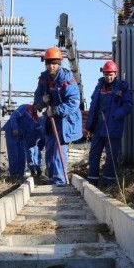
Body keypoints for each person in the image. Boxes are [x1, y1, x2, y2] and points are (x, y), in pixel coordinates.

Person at [33, 47, 83, 186]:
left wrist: (55, 110)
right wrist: (43, 100)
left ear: (59, 63)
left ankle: (60, 181)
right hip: (51, 120)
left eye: (54, 63)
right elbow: (37, 96)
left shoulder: (66, 79)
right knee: (49, 151)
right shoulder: (43, 79)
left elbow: (74, 102)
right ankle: (52, 179)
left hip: (65, 120)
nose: (51, 66)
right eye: (49, 63)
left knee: (58, 151)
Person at [85, 60, 133, 188]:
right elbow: (93, 105)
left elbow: (128, 105)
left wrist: (116, 114)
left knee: (111, 157)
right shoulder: (99, 87)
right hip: (98, 127)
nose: (108, 77)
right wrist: (90, 124)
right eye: (106, 74)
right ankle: (92, 182)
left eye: (111, 74)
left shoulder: (122, 87)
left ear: (115, 74)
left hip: (113, 128)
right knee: (94, 155)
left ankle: (108, 184)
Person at [2, 103, 42, 179]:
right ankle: (13, 175)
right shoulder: (26, 107)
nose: (43, 106)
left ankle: (20, 175)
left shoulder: (36, 118)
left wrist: (43, 140)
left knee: (22, 155)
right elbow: (13, 116)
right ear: (37, 103)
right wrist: (15, 128)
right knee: (14, 154)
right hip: (12, 132)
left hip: (21, 135)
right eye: (42, 104)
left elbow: (39, 130)